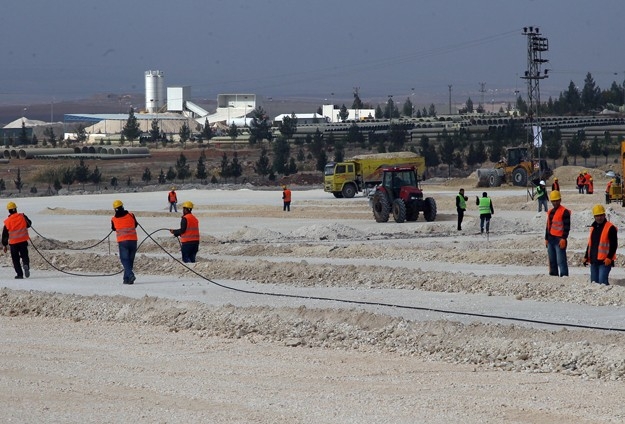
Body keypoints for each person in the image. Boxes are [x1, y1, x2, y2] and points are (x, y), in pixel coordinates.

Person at [583, 204, 618, 285]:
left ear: (604, 215)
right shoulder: (593, 227)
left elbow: (614, 245)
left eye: (601, 215)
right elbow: (590, 244)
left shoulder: (610, 228)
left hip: (604, 262)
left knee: (603, 283)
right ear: (594, 216)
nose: (599, 217)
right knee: (594, 284)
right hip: (594, 261)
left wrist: (609, 258)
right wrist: (586, 256)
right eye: (597, 216)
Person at [2, 202, 32, 279]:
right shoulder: (22, 216)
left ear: (9, 211)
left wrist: (4, 245)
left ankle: (19, 274)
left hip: (13, 244)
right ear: (16, 209)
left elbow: (5, 234)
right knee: (25, 256)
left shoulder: (7, 221)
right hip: (23, 241)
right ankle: (26, 265)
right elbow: (29, 224)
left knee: (15, 259)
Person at [111, 200, 138, 285]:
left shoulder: (114, 219)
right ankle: (126, 279)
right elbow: (135, 225)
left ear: (115, 209)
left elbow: (114, 228)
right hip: (133, 240)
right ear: (122, 206)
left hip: (123, 242)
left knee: (124, 259)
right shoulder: (131, 215)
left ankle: (130, 275)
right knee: (130, 260)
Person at [545, 190, 571, 277]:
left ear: (560, 200)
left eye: (557, 200)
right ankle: (553, 276)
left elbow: (567, 227)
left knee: (561, 261)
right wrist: (546, 238)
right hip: (551, 239)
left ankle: (564, 277)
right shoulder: (550, 212)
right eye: (553, 201)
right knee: (552, 260)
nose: (555, 202)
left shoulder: (564, 211)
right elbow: (548, 226)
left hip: (559, 240)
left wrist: (564, 238)